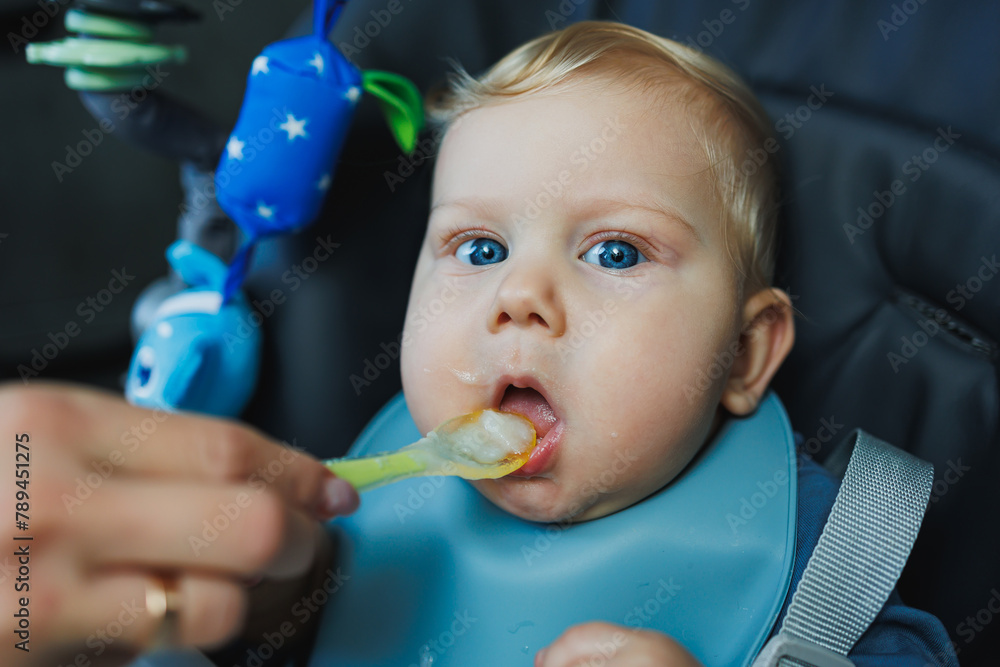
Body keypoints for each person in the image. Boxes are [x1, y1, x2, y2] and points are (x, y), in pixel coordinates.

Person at [0, 20, 957, 667]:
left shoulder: (802, 536)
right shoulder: (376, 474)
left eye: (615, 251)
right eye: (480, 247)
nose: (520, 297)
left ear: (746, 355)